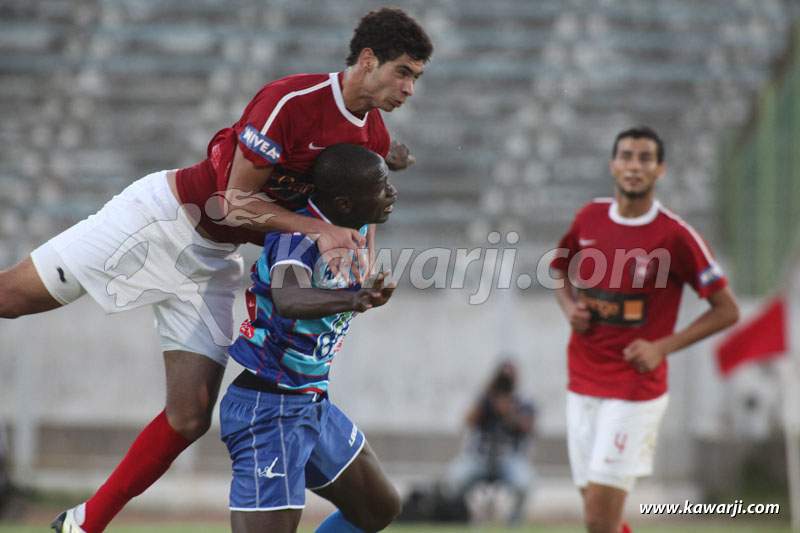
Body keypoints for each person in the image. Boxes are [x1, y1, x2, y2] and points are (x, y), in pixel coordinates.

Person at [0, 7, 432, 533]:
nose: (410, 87)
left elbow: (375, 183)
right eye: (404, 72)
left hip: (210, 266)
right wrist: (318, 230)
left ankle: (81, 524)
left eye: (417, 77)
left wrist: (371, 221)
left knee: (189, 417)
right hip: (160, 220)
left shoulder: (372, 135)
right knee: (9, 300)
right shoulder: (291, 102)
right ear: (368, 60)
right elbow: (230, 204)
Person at [550, 126, 740, 533]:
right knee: (601, 517)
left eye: (645, 159)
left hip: (634, 390)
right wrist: (569, 307)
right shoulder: (589, 217)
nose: (635, 166)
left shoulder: (675, 236)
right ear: (613, 165)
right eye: (628, 157)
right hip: (582, 382)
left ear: (660, 170)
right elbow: (559, 269)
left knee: (598, 520)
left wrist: (662, 347)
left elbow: (727, 310)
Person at [219, 143, 399, 533]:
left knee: (377, 507)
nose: (392, 192)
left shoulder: (356, 224)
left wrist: (387, 149)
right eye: (382, 186)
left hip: (310, 401)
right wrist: (356, 297)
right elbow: (289, 298)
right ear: (343, 203)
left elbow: (356, 151)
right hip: (267, 408)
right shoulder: (295, 239)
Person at [443, 359, 536, 525]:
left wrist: (509, 413)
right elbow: (467, 421)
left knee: (525, 482)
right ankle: (463, 518)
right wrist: (485, 396)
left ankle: (514, 523)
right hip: (479, 459)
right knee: (455, 477)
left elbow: (529, 428)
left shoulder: (523, 401)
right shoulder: (485, 399)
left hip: (509, 460)